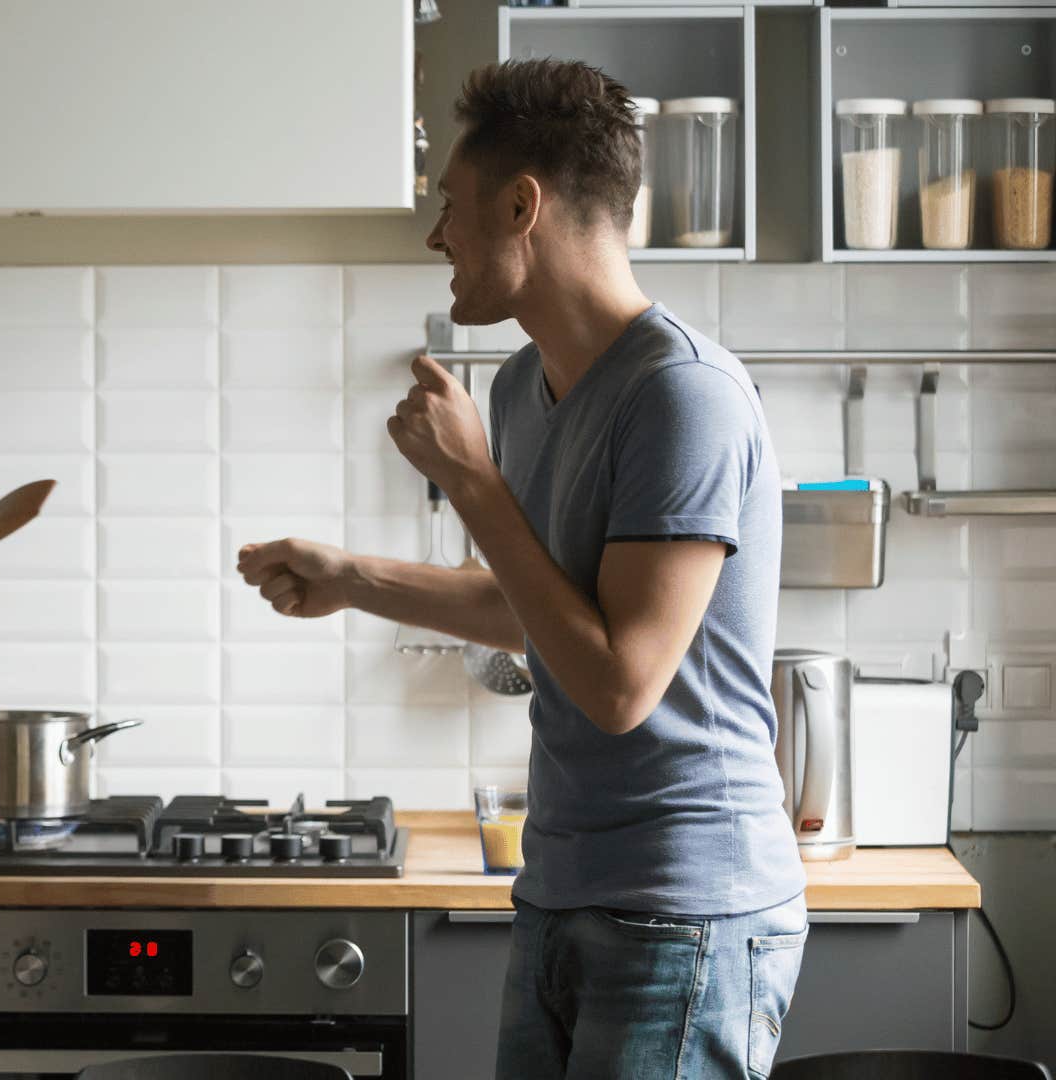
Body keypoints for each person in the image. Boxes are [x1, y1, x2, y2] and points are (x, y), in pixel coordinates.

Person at [236, 59, 805, 1079]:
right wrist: (351, 577)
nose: (436, 236)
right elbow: (533, 610)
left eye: (450, 206)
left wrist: (473, 487)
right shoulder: (520, 389)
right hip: (561, 889)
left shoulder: (685, 398)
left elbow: (623, 682)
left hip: (685, 909)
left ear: (519, 204)